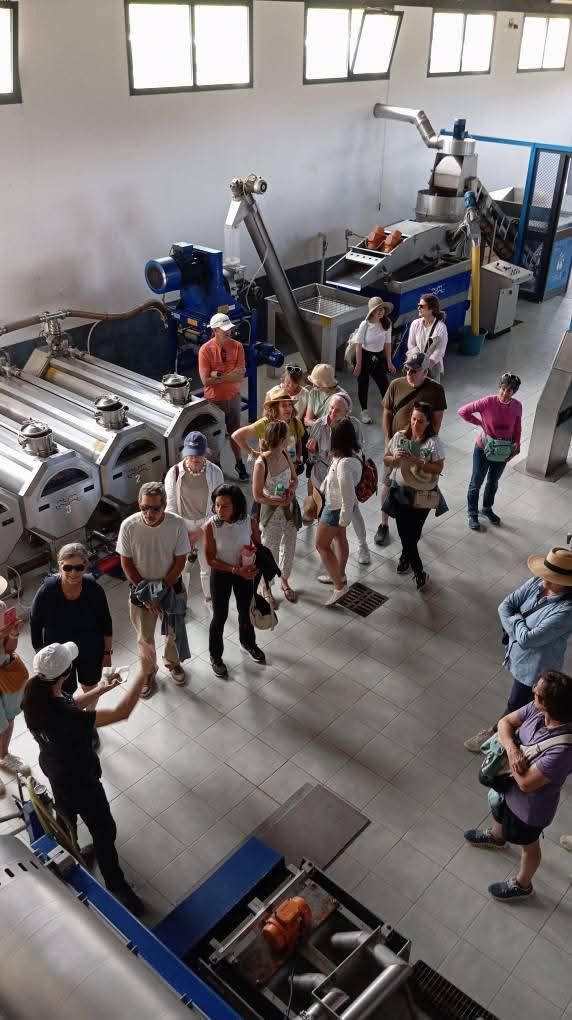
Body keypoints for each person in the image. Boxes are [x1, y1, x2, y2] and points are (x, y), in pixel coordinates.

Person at [22, 641, 148, 916]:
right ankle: (116, 884)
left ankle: (72, 854)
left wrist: (102, 688)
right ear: (66, 674)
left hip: (56, 772)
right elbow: (121, 713)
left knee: (66, 821)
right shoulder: (66, 718)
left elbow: (70, 703)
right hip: (81, 781)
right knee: (104, 830)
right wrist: (143, 673)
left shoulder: (34, 693)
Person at [464, 670, 572, 901]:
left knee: (529, 846)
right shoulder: (537, 708)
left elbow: (525, 783)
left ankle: (523, 885)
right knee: (498, 810)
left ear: (550, 704)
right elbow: (505, 722)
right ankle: (497, 837)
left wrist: (510, 746)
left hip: (529, 809)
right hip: (506, 788)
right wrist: (513, 750)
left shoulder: (562, 750)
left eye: (537, 692)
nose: (532, 690)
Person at [465, 547, 572, 752]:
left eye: (552, 578)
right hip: (520, 657)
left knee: (517, 703)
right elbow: (504, 606)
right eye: (546, 574)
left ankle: (497, 736)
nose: (544, 581)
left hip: (536, 667)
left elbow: (528, 640)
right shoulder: (537, 582)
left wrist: (515, 619)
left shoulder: (567, 611)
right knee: (527, 703)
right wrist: (519, 624)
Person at [117, 481, 190, 698]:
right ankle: (148, 672)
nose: (149, 513)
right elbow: (127, 563)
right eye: (144, 508)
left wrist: (159, 591)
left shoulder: (177, 524)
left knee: (174, 632)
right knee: (145, 638)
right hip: (140, 591)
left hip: (171, 587)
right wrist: (147, 594)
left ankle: (173, 662)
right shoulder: (129, 526)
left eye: (155, 508)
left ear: (164, 506)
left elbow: (180, 561)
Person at [375, 350, 447, 547]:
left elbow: (437, 421)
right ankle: (384, 524)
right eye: (407, 369)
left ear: (426, 371)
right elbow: (387, 413)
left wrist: (425, 449)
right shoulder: (396, 385)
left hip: (421, 446)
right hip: (398, 442)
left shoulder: (436, 390)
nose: (409, 373)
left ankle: (415, 524)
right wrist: (388, 439)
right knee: (388, 483)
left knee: (418, 485)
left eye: (414, 370)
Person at [30, 543, 113, 712]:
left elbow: (106, 622)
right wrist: (42, 655)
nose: (73, 573)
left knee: (90, 685)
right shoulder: (48, 590)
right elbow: (35, 623)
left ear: (86, 567)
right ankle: (70, 717)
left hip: (90, 645)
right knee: (65, 690)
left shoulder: (93, 588)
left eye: (79, 568)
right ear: (60, 565)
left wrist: (107, 653)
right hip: (59, 650)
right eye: (67, 567)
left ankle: (89, 716)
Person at [204, 484, 266, 679]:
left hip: (244, 572)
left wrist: (254, 565)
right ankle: (215, 656)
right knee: (219, 615)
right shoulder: (210, 526)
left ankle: (248, 643)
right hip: (222, 573)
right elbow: (211, 559)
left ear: (237, 506)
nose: (219, 510)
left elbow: (258, 547)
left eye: (225, 506)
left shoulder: (248, 522)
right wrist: (234, 569)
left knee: (245, 610)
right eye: (217, 505)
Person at [383, 401, 445, 590]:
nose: (415, 424)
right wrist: (395, 458)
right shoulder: (400, 437)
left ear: (428, 423)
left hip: (424, 493)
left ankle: (411, 562)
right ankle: (415, 567)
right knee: (404, 533)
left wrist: (416, 460)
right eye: (413, 419)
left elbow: (438, 468)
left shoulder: (433, 443)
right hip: (401, 492)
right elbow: (386, 459)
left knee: (414, 533)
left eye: (420, 421)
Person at [306, 394, 371, 566]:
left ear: (347, 412)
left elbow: (359, 450)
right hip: (323, 478)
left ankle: (363, 546)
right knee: (325, 515)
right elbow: (312, 459)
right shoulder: (319, 425)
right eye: (331, 408)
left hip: (345, 475)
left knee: (353, 510)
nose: (332, 413)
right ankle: (329, 551)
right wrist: (312, 453)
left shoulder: (353, 425)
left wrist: (343, 462)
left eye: (337, 410)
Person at [458, 373, 522, 531]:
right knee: (476, 483)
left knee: (493, 482)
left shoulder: (517, 406)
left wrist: (517, 445)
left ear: (514, 392)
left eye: (509, 390)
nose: (505, 393)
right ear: (499, 387)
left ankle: (486, 508)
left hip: (502, 451)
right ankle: (472, 514)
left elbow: (517, 427)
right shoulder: (487, 402)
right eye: (503, 388)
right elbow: (463, 411)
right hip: (483, 449)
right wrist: (479, 423)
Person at [165, 431, 223, 603]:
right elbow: (171, 506)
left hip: (207, 524)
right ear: (185, 453)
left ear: (205, 453)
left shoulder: (215, 472)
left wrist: (199, 533)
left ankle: (210, 598)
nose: (195, 458)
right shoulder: (174, 473)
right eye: (191, 454)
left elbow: (219, 508)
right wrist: (183, 534)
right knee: (181, 568)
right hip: (182, 525)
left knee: (208, 565)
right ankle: (182, 599)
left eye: (199, 454)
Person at [315, 418, 362, 607]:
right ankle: (339, 574)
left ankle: (339, 587)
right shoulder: (350, 454)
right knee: (340, 539)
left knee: (321, 545)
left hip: (335, 508)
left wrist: (343, 519)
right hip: (337, 506)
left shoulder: (344, 464)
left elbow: (347, 495)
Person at [252, 421, 300, 604]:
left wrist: (291, 491)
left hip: (289, 511)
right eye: (287, 436)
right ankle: (266, 587)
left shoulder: (285, 453)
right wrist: (278, 501)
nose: (290, 438)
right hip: (272, 514)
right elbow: (257, 496)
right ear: (281, 440)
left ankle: (284, 580)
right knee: (269, 551)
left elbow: (294, 478)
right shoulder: (261, 463)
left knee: (289, 545)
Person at [198, 312, 248, 482]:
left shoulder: (238, 346)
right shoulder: (205, 350)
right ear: (214, 330)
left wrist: (217, 374)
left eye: (229, 328)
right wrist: (229, 375)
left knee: (235, 432)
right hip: (214, 401)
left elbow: (240, 375)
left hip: (233, 397)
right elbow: (206, 381)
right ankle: (217, 464)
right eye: (224, 329)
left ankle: (239, 463)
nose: (229, 332)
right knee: (216, 434)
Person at [0, 580, 31, 790]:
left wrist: (13, 635)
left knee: (9, 716)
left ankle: (3, 754)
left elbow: (9, 649)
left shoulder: (1, 608)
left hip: (6, 671)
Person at [232, 387, 304, 471]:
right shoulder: (265, 423)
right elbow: (236, 436)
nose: (288, 408)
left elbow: (299, 441)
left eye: (290, 405)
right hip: (270, 469)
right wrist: (253, 453)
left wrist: (298, 457)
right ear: (275, 408)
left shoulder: (295, 422)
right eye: (284, 405)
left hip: (290, 467)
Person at [352, 296, 395, 424]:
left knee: (384, 384)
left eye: (382, 309)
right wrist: (358, 364)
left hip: (378, 357)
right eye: (377, 309)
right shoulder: (365, 324)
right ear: (372, 312)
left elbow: (387, 344)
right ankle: (364, 411)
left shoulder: (387, 323)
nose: (381, 311)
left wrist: (389, 362)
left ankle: (389, 409)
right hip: (363, 356)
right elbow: (358, 345)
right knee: (363, 384)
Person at [406, 293, 448, 382]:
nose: (418, 308)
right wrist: (417, 360)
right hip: (416, 364)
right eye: (418, 305)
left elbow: (440, 350)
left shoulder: (441, 327)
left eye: (421, 306)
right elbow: (411, 344)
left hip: (432, 366)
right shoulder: (415, 323)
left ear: (431, 309)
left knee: (432, 389)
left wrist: (427, 366)